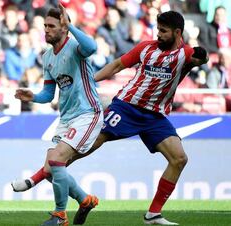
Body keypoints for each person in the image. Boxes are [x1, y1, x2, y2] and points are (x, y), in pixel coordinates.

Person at [12, 10, 209, 225]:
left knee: (179, 159)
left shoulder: (185, 54)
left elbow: (202, 56)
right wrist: (90, 79)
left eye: (163, 31)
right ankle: (38, 177)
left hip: (155, 116)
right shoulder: (146, 48)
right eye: (157, 29)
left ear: (177, 32)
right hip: (126, 108)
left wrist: (202, 56)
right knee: (74, 153)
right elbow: (116, 66)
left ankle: (153, 215)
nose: (158, 34)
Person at [12, 4, 103, 226]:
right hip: (66, 117)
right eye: (45, 26)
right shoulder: (47, 57)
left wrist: (71, 25)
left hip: (88, 113)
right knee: (53, 171)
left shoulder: (76, 47)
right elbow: (48, 94)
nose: (46, 30)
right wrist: (32, 96)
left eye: (51, 26)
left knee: (55, 159)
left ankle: (59, 215)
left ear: (64, 28)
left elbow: (92, 47)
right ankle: (85, 200)